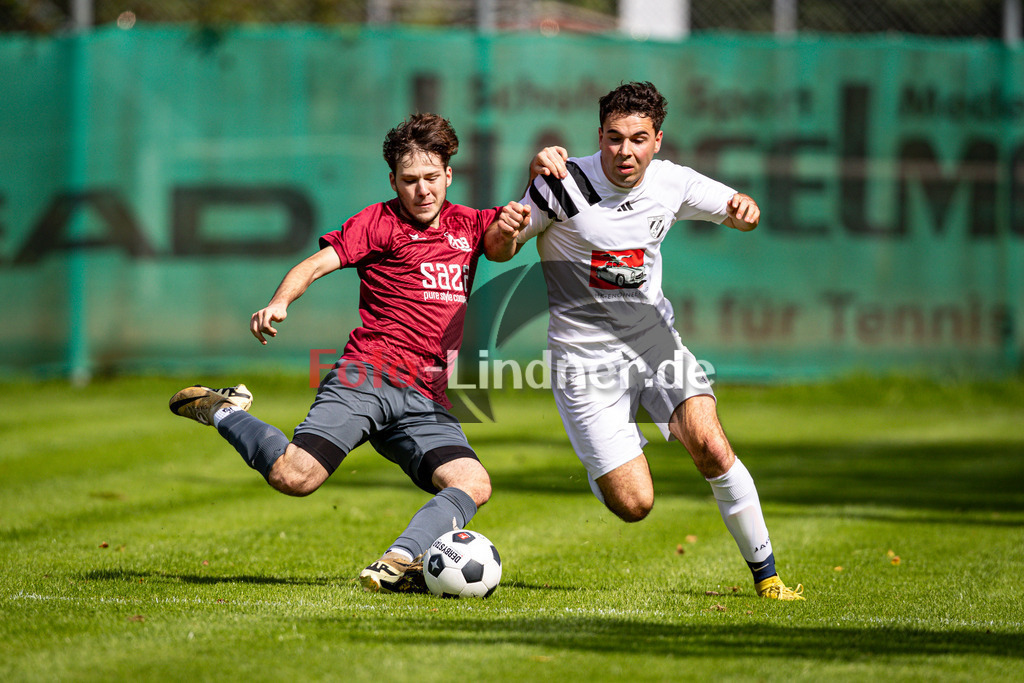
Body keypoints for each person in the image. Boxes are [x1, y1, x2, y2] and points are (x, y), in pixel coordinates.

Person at [169, 113, 529, 593]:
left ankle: (399, 560)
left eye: (430, 179)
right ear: (393, 181)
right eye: (409, 181)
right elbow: (316, 264)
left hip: (426, 400)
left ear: (448, 174)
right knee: (294, 477)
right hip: (368, 378)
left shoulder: (470, 224)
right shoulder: (377, 222)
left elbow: (501, 247)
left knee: (473, 482)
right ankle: (224, 411)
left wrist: (511, 222)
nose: (422, 190)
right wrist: (279, 302)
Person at [490, 81, 803, 600]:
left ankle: (768, 578)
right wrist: (506, 226)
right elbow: (501, 248)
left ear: (658, 140)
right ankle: (608, 457)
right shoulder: (560, 182)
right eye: (614, 138)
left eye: (638, 139)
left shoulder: (671, 181)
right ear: (599, 137)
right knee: (634, 504)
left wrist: (745, 210)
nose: (625, 151)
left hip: (653, 342)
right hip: (583, 363)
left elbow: (735, 205)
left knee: (710, 444)